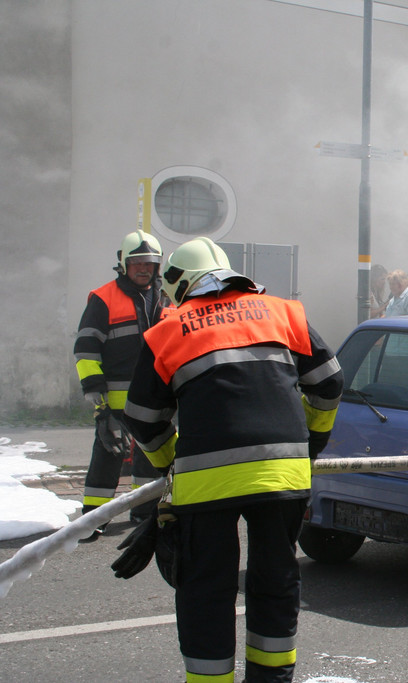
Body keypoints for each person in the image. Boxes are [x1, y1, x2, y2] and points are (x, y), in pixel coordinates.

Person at [121, 237, 345, 683]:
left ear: (179, 284)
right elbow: (329, 383)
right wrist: (310, 443)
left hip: (206, 485)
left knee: (206, 591)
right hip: (283, 474)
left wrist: (170, 464)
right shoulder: (283, 312)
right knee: (276, 583)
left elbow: (142, 418)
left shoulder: (168, 328)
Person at [73, 230, 166, 540]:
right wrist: (96, 397)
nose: (143, 268)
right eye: (136, 263)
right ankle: (93, 519)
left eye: (149, 263)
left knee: (152, 456)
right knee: (108, 457)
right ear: (123, 264)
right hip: (115, 401)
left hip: (155, 398)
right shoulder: (103, 299)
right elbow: (85, 349)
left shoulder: (166, 299)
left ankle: (144, 511)